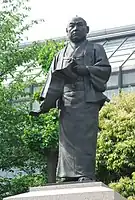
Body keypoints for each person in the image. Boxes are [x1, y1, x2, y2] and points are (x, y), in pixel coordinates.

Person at [30, 16, 111, 182]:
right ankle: (66, 175)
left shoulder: (96, 49)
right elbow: (51, 81)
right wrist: (44, 104)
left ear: (87, 29)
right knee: (66, 142)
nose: (75, 29)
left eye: (79, 25)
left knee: (85, 139)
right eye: (71, 26)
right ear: (66, 31)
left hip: (86, 100)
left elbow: (104, 70)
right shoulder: (60, 54)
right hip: (66, 103)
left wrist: (86, 69)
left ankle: (85, 174)